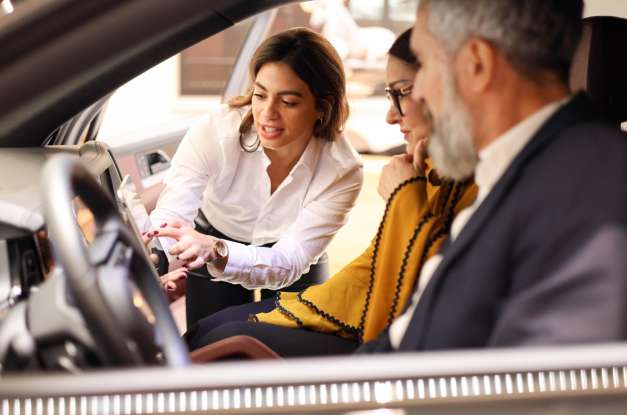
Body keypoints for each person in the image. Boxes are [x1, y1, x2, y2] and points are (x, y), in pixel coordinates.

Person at [184, 29, 478, 357]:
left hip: (382, 335)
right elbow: (379, 267)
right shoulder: (436, 171)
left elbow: (420, 288)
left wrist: (404, 195)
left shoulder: (370, 172)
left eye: (403, 92)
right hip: (355, 307)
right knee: (205, 330)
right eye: (259, 95)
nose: (390, 115)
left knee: (222, 344)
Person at [358, 0, 627, 353]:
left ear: (476, 64)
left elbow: (544, 396)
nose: (419, 93)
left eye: (425, 66)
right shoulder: (519, 170)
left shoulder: (587, 192)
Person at [148, 27, 364, 328]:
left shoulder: (342, 170)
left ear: (322, 107)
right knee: (210, 348)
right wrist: (167, 258)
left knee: (294, 357)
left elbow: (289, 262)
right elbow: (174, 209)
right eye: (260, 95)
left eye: (287, 102)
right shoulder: (216, 130)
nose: (267, 114)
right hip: (212, 237)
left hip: (291, 257)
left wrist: (215, 250)